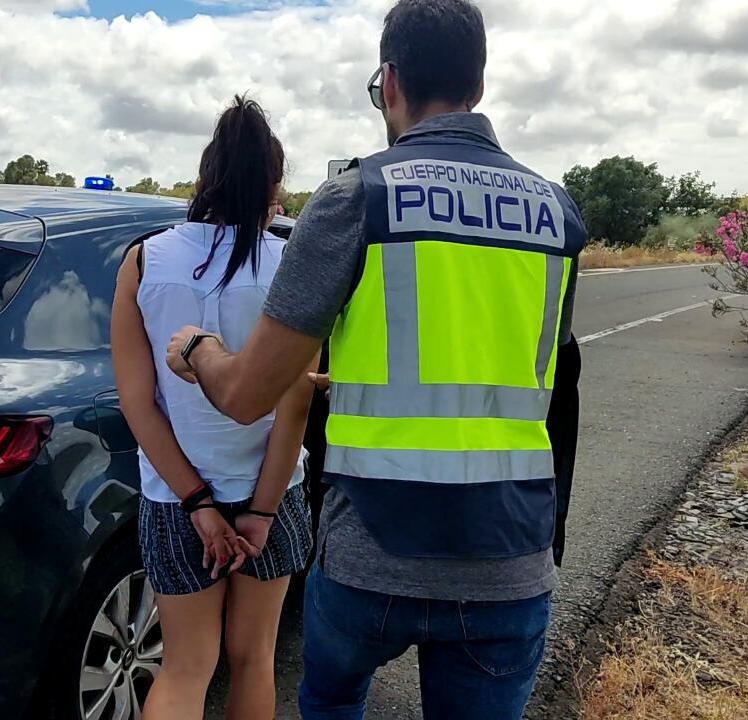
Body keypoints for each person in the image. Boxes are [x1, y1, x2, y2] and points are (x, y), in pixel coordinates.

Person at [160, 1, 586, 718]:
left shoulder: (358, 198)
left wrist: (197, 349)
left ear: (389, 81)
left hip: (373, 557)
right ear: (478, 87)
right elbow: (553, 380)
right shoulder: (558, 213)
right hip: (508, 556)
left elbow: (244, 395)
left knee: (330, 700)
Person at [109, 95, 316, 720]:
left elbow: (136, 401)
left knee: (185, 666)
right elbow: (296, 403)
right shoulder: (295, 267)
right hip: (272, 494)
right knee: (253, 658)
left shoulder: (144, 260)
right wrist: (259, 511)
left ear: (206, 177)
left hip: (175, 502)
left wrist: (198, 502)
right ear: (273, 184)